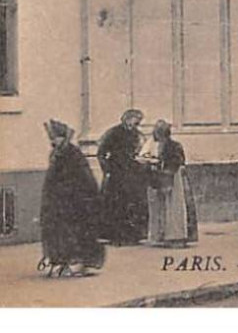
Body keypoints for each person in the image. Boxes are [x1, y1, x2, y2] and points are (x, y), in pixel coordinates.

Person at [38, 119, 105, 278]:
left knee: (74, 233)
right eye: (51, 139)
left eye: (55, 138)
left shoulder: (73, 154)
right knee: (57, 233)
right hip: (57, 203)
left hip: (74, 203)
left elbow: (83, 178)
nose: (53, 141)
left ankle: (76, 264)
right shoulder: (56, 153)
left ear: (62, 137)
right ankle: (60, 262)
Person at [141, 120, 198, 247]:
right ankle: (162, 235)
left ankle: (176, 237)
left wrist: (164, 169)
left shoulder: (174, 145)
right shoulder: (157, 145)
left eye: (158, 133)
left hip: (173, 179)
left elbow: (177, 161)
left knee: (174, 207)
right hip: (161, 178)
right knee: (161, 207)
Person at [97, 109, 149, 244]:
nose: (137, 123)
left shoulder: (137, 135)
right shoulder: (113, 132)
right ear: (127, 118)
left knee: (133, 204)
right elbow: (101, 152)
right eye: (135, 120)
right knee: (116, 205)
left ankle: (133, 236)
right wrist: (107, 169)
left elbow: (142, 150)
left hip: (133, 174)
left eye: (139, 121)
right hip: (116, 175)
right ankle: (115, 236)